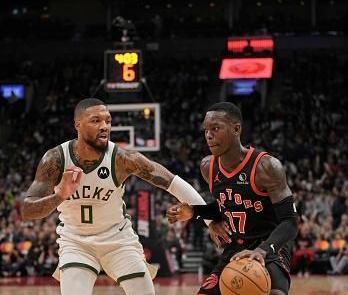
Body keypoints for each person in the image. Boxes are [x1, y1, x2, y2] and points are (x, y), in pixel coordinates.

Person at [21, 98, 209, 295]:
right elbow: (28, 210)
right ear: (77, 124)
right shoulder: (56, 159)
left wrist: (210, 219)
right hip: (76, 242)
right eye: (95, 121)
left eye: (108, 121)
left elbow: (172, 182)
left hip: (118, 240)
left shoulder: (123, 159)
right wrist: (59, 196)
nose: (104, 126)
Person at [167, 102, 298, 295]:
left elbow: (290, 222)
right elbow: (227, 206)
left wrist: (262, 251)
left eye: (215, 128)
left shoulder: (266, 166)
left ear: (236, 129)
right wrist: (194, 212)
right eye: (206, 130)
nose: (209, 135)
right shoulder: (208, 167)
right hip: (235, 247)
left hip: (270, 247)